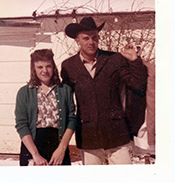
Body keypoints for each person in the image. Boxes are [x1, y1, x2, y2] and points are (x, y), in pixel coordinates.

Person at [61, 17, 148, 165]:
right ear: (77, 40)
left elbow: (138, 85)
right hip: (89, 136)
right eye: (86, 38)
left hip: (117, 135)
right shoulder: (68, 66)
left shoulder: (114, 59)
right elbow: (65, 99)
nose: (91, 42)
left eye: (95, 37)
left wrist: (134, 60)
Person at [15, 49, 77, 166]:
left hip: (58, 144)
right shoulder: (24, 92)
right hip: (33, 145)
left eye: (48, 66)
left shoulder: (65, 90)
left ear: (53, 67)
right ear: (33, 68)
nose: (44, 71)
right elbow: (22, 124)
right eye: (40, 67)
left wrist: (61, 149)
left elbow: (72, 120)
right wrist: (35, 155)